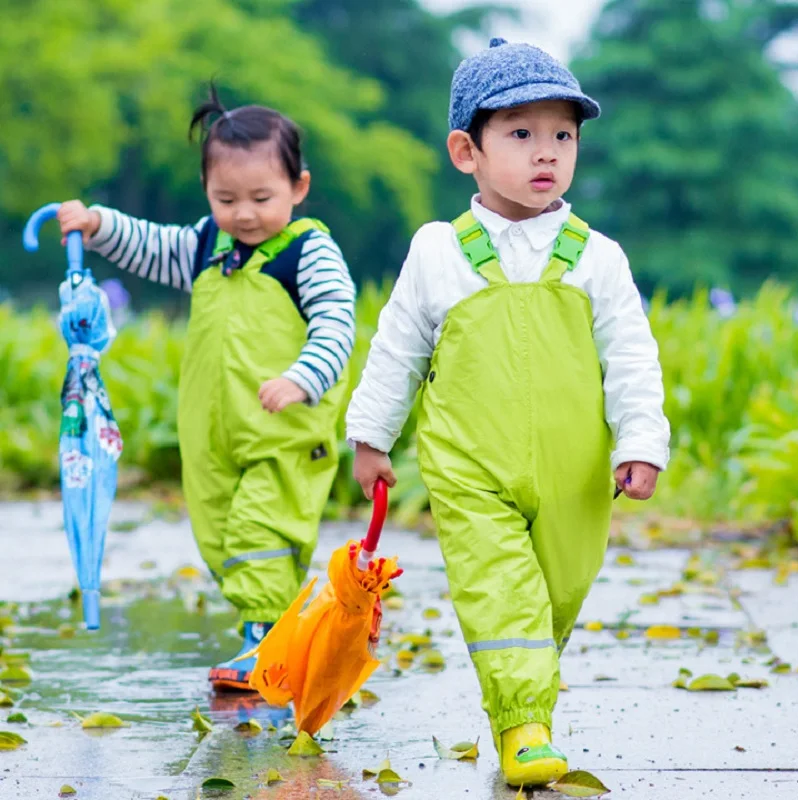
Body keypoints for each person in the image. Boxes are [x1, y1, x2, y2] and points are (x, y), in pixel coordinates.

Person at [346, 38, 670, 788]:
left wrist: (642, 439)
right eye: (521, 135)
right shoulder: (439, 251)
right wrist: (371, 436)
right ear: (468, 151)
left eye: (562, 135)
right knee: (500, 592)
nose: (546, 153)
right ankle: (524, 727)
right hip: (471, 467)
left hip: (575, 474)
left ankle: (526, 710)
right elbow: (396, 346)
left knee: (555, 596)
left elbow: (631, 357)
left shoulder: (597, 256)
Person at [58, 86, 356, 692]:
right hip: (213, 435)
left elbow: (336, 319)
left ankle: (265, 643)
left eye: (261, 198)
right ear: (207, 194)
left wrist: (303, 378)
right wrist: (96, 225)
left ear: (299, 187)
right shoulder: (206, 246)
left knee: (259, 533)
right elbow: (148, 244)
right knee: (220, 536)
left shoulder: (306, 252)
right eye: (226, 199)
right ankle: (283, 627)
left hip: (284, 432)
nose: (244, 214)